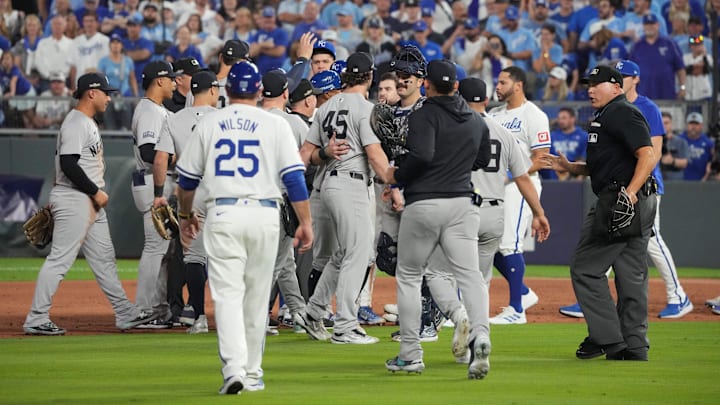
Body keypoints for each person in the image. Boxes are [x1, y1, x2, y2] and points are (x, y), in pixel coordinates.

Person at [175, 60, 312, 394]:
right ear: (258, 90)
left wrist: (185, 216)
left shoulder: (210, 123)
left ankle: (234, 369)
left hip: (222, 214)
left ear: (227, 89)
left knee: (228, 297)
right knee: (256, 297)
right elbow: (294, 179)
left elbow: (187, 180)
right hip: (265, 215)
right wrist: (306, 220)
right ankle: (252, 372)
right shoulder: (275, 124)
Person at [422, 77, 549, 364]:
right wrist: (539, 213)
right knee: (478, 282)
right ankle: (479, 340)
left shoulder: (454, 129)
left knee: (437, 272)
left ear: (458, 98)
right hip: (495, 213)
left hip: (463, 209)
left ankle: (460, 316)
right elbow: (523, 178)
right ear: (486, 100)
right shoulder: (504, 132)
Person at [23, 72, 157, 336]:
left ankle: (125, 313)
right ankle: (36, 318)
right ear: (91, 93)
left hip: (84, 200)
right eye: (106, 92)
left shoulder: (86, 122)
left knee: (105, 260)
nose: (109, 97)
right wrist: (95, 192)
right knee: (60, 259)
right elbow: (68, 163)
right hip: (76, 198)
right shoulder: (76, 123)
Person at [383, 59, 493, 377]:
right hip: (463, 203)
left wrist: (396, 176)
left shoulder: (425, 113)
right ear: (456, 85)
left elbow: (422, 155)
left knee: (409, 276)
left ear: (427, 84)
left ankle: (411, 354)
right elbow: (483, 159)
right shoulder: (475, 120)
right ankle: (480, 335)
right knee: (470, 276)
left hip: (426, 202)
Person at [559, 60, 693, 319]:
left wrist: (634, 189)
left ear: (634, 80)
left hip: (641, 189)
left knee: (652, 239)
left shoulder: (646, 107)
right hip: (619, 187)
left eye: (624, 76)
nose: (619, 78)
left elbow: (652, 153)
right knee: (611, 238)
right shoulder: (606, 109)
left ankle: (678, 295)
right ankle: (592, 294)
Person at [544, 65, 658, 361]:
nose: (590, 89)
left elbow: (647, 154)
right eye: (588, 84)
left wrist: (630, 192)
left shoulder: (621, 111)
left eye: (597, 84)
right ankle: (634, 345)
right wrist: (572, 168)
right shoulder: (607, 115)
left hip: (621, 199)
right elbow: (604, 166)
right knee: (631, 274)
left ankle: (608, 338)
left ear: (617, 87)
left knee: (585, 268)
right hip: (634, 198)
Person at [296, 52, 392, 344]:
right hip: (351, 185)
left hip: (328, 186)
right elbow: (374, 155)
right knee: (358, 254)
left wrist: (324, 154)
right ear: (370, 76)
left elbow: (303, 156)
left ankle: (314, 312)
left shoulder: (326, 108)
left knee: (341, 254)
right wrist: (394, 179)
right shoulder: (365, 108)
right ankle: (346, 325)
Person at [153, 70, 220, 334]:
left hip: (190, 191)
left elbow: (160, 159)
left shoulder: (174, 119)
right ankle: (235, 319)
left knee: (194, 256)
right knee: (231, 253)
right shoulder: (223, 117)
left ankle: (199, 317)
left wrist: (159, 194)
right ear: (213, 90)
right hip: (222, 190)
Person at [487, 66, 550, 325]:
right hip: (496, 185)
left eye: (503, 82)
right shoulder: (493, 114)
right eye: (497, 82)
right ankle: (522, 293)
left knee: (509, 243)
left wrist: (512, 176)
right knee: (488, 243)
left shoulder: (533, 114)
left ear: (518, 85)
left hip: (521, 185)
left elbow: (542, 158)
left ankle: (516, 310)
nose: (497, 87)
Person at [260, 69, 312, 334]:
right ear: (285, 93)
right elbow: (310, 156)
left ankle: (299, 312)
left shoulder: (253, 119)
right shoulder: (290, 123)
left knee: (284, 263)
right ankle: (255, 318)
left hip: (253, 198)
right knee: (275, 262)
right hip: (281, 198)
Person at [131, 60, 176, 328]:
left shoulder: (157, 109)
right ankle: (143, 309)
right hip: (151, 181)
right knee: (155, 247)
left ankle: (157, 308)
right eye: (170, 78)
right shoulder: (149, 110)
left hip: (154, 180)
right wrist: (178, 157)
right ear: (159, 81)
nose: (173, 82)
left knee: (164, 249)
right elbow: (150, 152)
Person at [629, 14, 686, 100]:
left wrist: (682, 88)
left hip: (667, 94)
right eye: (647, 24)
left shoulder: (669, 43)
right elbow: (630, 72)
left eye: (652, 24)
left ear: (658, 25)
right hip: (643, 95)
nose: (650, 27)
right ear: (643, 26)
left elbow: (680, 68)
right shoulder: (637, 46)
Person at [98, 33, 138, 130]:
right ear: (109, 45)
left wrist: (136, 96)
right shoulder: (103, 61)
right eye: (113, 42)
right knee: (109, 120)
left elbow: (132, 79)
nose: (115, 45)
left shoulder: (128, 61)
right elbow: (100, 79)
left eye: (118, 42)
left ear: (121, 45)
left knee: (127, 120)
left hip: (124, 94)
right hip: (110, 96)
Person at [680, 112, 714, 181]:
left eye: (696, 124)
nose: (693, 127)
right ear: (687, 125)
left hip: (701, 182)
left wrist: (706, 177)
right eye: (691, 123)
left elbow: (711, 162)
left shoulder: (708, 143)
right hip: (680, 181)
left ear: (701, 125)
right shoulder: (679, 140)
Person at [659, 111, 689, 181]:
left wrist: (672, 161)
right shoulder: (653, 142)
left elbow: (685, 163)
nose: (664, 125)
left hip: (675, 181)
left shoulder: (681, 142)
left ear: (671, 124)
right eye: (661, 123)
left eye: (666, 123)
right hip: (658, 181)